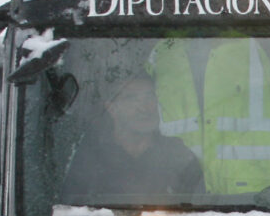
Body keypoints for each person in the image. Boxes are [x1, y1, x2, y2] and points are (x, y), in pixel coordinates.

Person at [149, 38, 270, 194]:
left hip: (250, 190)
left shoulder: (251, 46)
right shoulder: (163, 51)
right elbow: (139, 100)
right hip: (174, 190)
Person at [60, 75, 204, 204]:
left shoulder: (177, 155)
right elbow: (70, 207)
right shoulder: (91, 157)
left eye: (150, 97)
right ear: (111, 108)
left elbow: (199, 206)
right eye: (131, 98)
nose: (145, 107)